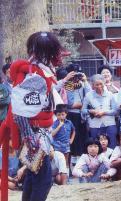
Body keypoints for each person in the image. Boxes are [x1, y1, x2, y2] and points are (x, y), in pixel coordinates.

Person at [0, 31, 68, 201]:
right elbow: (20, 109)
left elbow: (41, 99)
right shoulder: (35, 74)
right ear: (48, 52)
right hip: (34, 133)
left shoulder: (37, 71)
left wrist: (61, 83)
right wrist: (29, 138)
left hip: (35, 131)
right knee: (43, 180)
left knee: (33, 176)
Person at [82, 74, 118, 149]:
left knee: (112, 144)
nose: (99, 86)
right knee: (96, 145)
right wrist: (91, 111)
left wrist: (104, 113)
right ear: (92, 85)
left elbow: (115, 111)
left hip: (110, 124)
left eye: (101, 84)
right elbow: (83, 110)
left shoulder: (110, 94)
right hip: (94, 125)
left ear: (104, 83)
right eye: (96, 85)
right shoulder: (88, 95)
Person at [51, 104, 75, 169]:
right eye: (58, 115)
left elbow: (74, 131)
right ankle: (58, 174)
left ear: (66, 114)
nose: (61, 116)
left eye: (62, 114)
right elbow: (52, 134)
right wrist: (59, 126)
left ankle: (66, 175)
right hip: (57, 145)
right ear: (56, 115)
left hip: (66, 144)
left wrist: (71, 139)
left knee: (66, 160)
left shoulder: (69, 122)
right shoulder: (55, 123)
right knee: (58, 160)